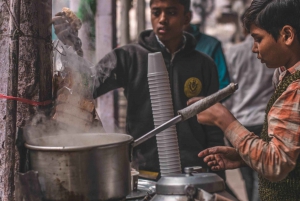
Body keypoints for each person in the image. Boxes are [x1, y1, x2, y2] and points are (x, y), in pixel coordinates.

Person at [52, 0, 225, 181]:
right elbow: (87, 87)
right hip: (145, 174)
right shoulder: (129, 57)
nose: (162, 19)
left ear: (187, 18)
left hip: (193, 173)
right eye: (156, 12)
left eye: (172, 12)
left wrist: (217, 177)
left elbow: (213, 126)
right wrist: (73, 48)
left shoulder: (204, 64)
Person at [188, 0, 300, 200]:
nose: (254, 49)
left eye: (258, 39)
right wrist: (244, 157)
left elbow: (276, 164)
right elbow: (290, 154)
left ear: (287, 35)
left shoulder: (296, 89)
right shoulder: (284, 75)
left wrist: (224, 119)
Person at [224, 21, 274, 201]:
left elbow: (227, 88)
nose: (255, 49)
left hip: (240, 122)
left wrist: (226, 122)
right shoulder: (273, 51)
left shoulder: (234, 52)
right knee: (260, 179)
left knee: (251, 179)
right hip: (263, 120)